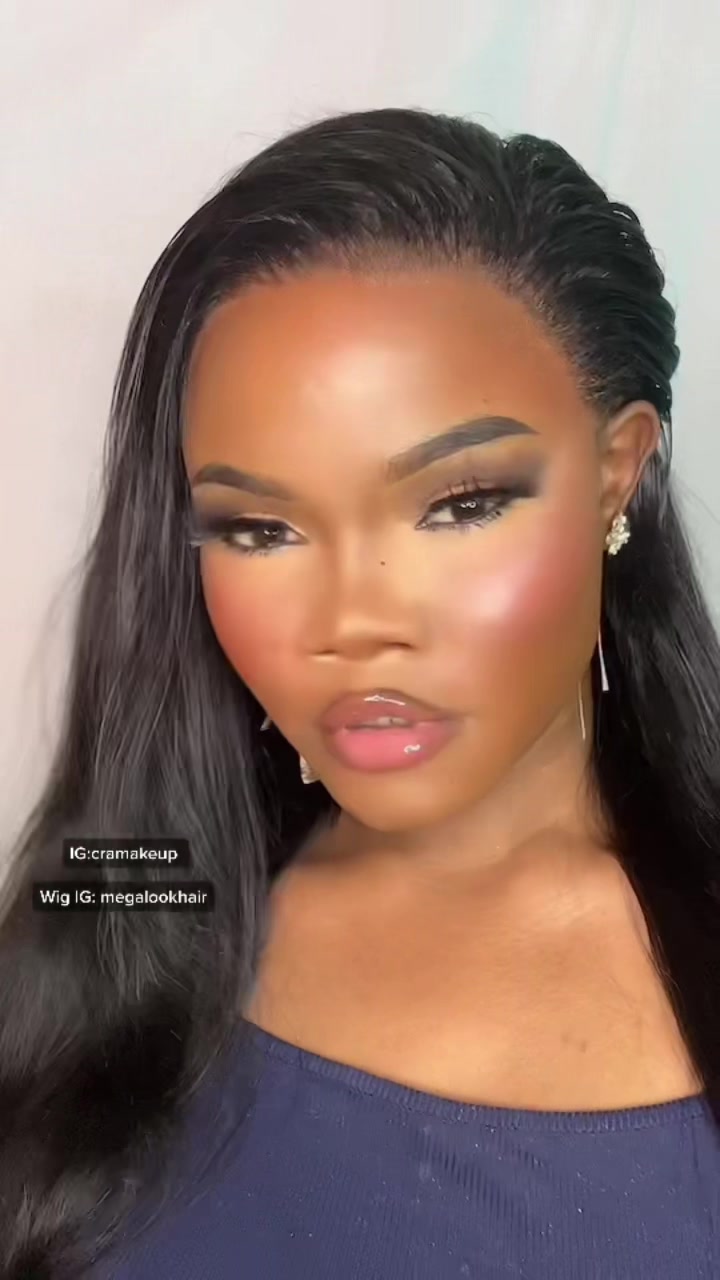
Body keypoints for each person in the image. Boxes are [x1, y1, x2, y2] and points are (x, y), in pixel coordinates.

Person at [0, 106, 718, 1280]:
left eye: (461, 504)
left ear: (616, 473)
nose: (351, 620)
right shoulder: (135, 892)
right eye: (260, 527)